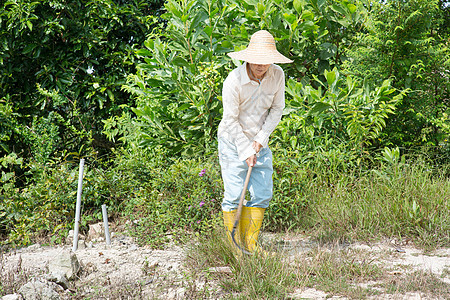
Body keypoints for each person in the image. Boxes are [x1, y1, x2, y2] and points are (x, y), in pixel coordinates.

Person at [218, 30, 293, 253]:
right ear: (248, 58)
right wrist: (245, 148)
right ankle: (234, 247)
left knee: (262, 193)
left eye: (266, 61)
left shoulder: (278, 75)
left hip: (260, 141)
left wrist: (259, 140)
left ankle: (250, 245)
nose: (261, 65)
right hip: (233, 142)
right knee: (233, 195)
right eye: (257, 60)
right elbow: (230, 120)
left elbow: (277, 109)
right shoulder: (233, 81)